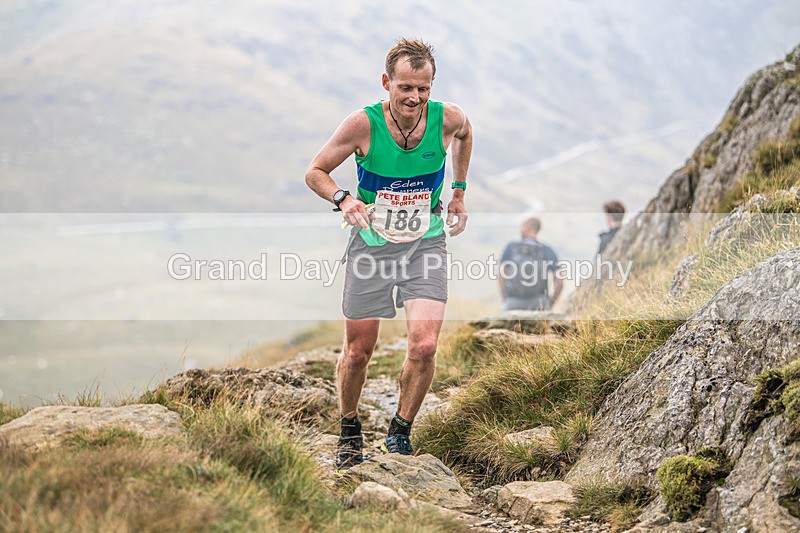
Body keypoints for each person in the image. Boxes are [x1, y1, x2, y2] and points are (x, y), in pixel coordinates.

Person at [304, 38, 473, 472]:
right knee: (358, 352)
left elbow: (466, 133)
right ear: (387, 83)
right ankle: (349, 427)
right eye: (405, 88)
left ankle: (400, 432)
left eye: (424, 88)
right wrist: (343, 199)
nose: (415, 98)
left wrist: (458, 191)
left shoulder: (446, 119)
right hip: (372, 248)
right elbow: (315, 171)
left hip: (426, 244)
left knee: (426, 345)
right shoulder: (362, 125)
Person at [498, 217, 562, 311]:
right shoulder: (546, 250)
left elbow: (501, 274)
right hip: (540, 303)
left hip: (513, 303)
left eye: (522, 226)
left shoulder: (511, 247)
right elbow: (560, 281)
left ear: (527, 227)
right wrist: (550, 302)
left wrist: (505, 298)